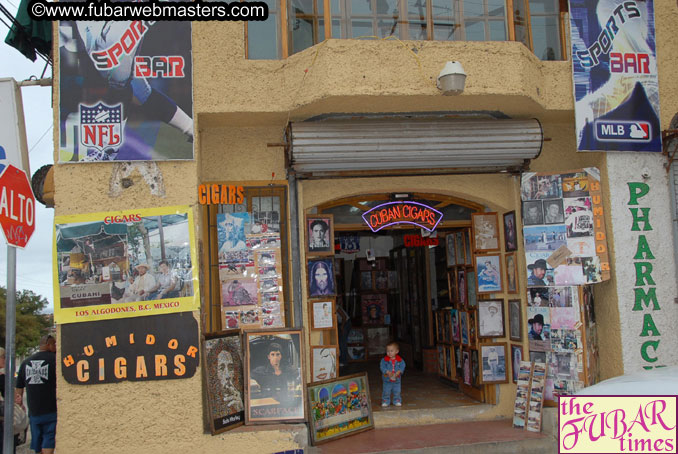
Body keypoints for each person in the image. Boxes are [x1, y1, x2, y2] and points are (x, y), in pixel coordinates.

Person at [15, 335, 57, 454]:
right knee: (49, 439)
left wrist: (20, 403)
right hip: (51, 409)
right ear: (49, 345)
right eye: (54, 344)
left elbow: (19, 387)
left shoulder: (26, 362)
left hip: (34, 411)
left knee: (37, 442)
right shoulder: (55, 360)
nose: (55, 347)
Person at [379, 342, 405, 407]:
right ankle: (385, 401)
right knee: (386, 391)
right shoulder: (384, 360)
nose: (389, 353)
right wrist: (387, 371)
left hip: (397, 379)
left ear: (397, 351)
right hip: (387, 379)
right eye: (388, 351)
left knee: (397, 391)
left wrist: (399, 371)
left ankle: (397, 401)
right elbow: (382, 367)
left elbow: (403, 366)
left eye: (391, 351)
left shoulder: (400, 360)